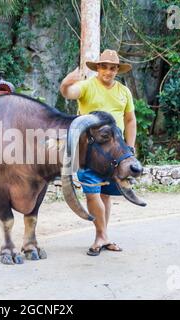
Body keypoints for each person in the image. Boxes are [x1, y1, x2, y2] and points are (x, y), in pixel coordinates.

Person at [59, 49, 137, 256]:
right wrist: (67, 83)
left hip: (116, 152)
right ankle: (102, 235)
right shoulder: (87, 86)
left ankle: (102, 236)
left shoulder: (124, 92)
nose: (108, 71)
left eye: (112, 68)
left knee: (106, 195)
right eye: (104, 67)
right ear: (98, 68)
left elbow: (130, 120)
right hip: (90, 151)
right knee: (92, 193)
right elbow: (69, 93)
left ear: (117, 70)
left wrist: (130, 146)